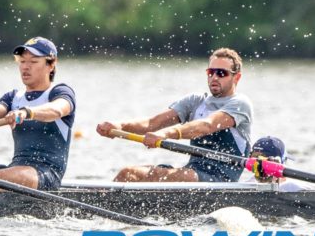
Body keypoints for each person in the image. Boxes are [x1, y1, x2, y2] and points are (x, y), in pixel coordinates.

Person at [96, 47, 253, 182]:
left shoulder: (240, 104)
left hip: (221, 179)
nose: (214, 77)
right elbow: (152, 123)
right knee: (129, 174)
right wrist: (119, 126)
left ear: (236, 77)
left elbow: (207, 125)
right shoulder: (195, 101)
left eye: (221, 73)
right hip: (192, 173)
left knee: (160, 176)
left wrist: (166, 134)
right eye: (210, 72)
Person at [0, 37, 76, 191]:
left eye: (33, 61)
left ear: (51, 64)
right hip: (14, 169)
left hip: (45, 174)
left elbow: (57, 110)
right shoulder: (14, 97)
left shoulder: (60, 92)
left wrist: (26, 112)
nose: (25, 67)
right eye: (22, 61)